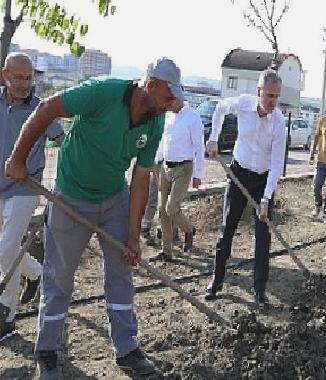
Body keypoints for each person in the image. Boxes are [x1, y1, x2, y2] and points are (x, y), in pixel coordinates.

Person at [5, 57, 183, 378]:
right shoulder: (103, 93)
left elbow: (141, 178)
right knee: (58, 278)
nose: (171, 106)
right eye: (168, 97)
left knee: (121, 273)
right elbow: (46, 108)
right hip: (70, 197)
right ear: (151, 85)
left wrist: (132, 236)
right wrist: (17, 159)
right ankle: (47, 351)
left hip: (114, 199)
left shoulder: (154, 122)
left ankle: (126, 348)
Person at [204, 69, 286, 308]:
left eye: (276, 96)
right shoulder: (242, 104)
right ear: (259, 92)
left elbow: (276, 164)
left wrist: (266, 198)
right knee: (227, 227)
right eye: (269, 95)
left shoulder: (279, 122)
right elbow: (220, 108)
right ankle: (216, 281)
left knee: (263, 235)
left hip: (262, 181)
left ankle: (260, 289)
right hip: (238, 173)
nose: (273, 101)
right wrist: (213, 138)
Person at [0, 53, 64, 341]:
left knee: (6, 246)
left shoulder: (42, 109)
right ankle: (36, 272)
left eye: (29, 78)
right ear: (5, 75)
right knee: (4, 248)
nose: (25, 84)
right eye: (19, 77)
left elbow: (64, 141)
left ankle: (7, 316)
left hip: (26, 187)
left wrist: (68, 179)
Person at [151, 99, 205, 261]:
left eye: (170, 100)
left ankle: (188, 230)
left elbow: (199, 147)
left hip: (183, 168)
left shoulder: (192, 117)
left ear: (179, 98)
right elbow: (163, 141)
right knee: (162, 210)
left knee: (172, 208)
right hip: (165, 167)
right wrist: (156, 161)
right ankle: (166, 251)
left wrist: (198, 173)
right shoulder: (168, 116)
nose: (167, 103)